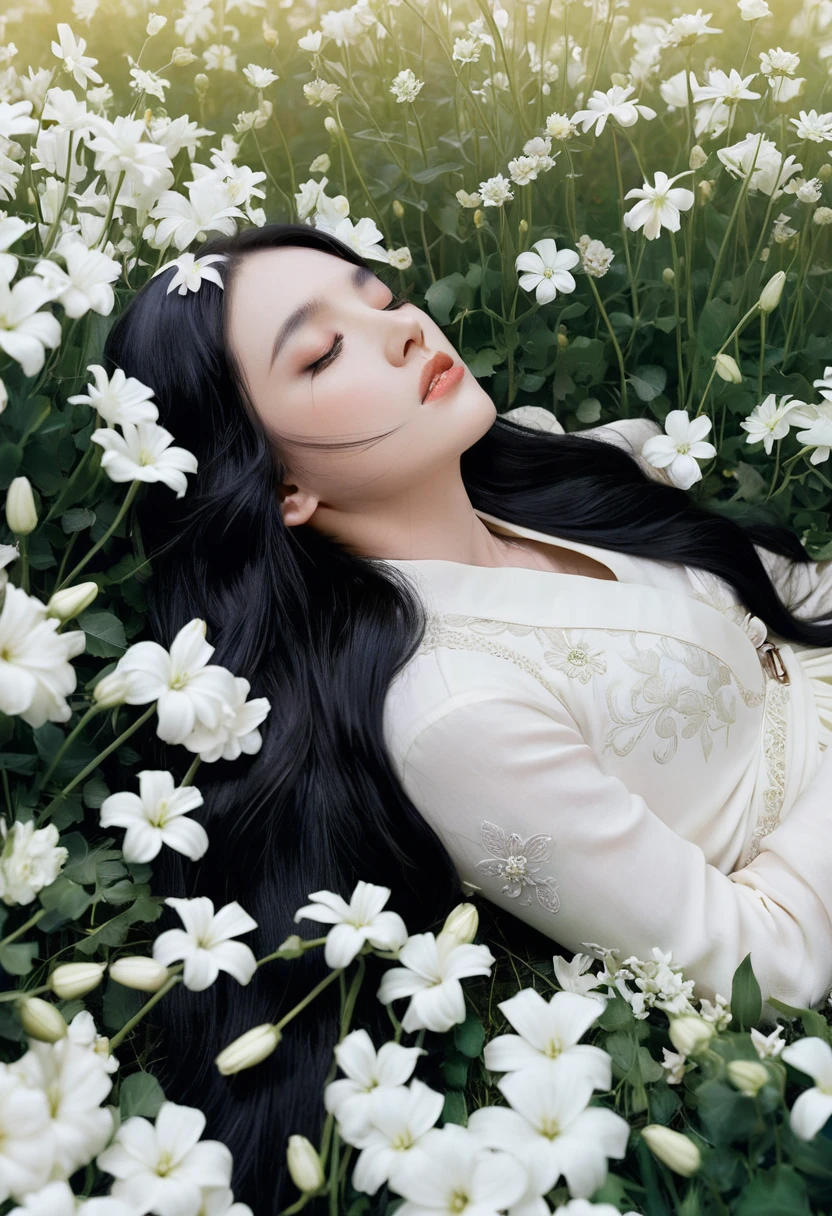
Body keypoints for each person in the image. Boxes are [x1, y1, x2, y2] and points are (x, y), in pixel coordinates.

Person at [102, 221, 832, 1210]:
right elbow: (770, 964)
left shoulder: (564, 474)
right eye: (322, 352)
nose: (401, 327)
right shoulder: (451, 714)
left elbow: (802, 603)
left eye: (379, 294)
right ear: (279, 487)